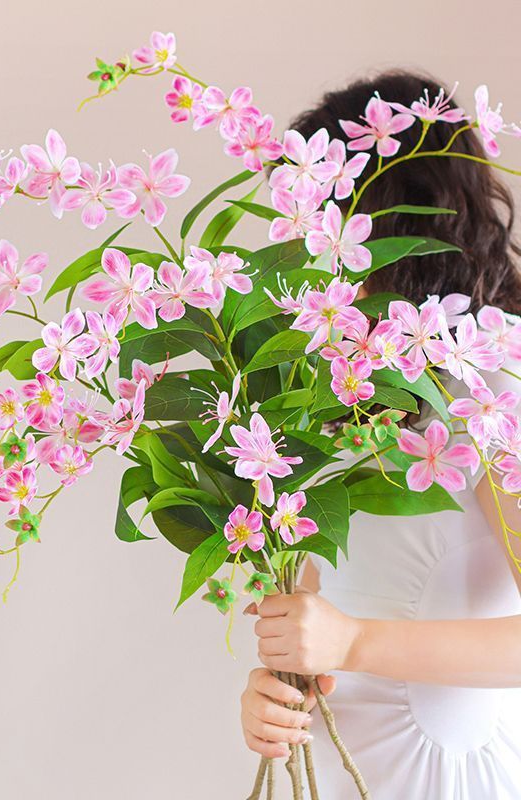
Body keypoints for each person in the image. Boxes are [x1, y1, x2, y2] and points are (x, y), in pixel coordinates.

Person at [239, 71, 521, 798]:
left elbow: (346, 630)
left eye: (323, 218)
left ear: (392, 222)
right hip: (335, 772)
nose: (308, 255)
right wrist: (274, 695)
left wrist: (354, 642)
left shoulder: (495, 381)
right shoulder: (352, 388)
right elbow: (322, 614)